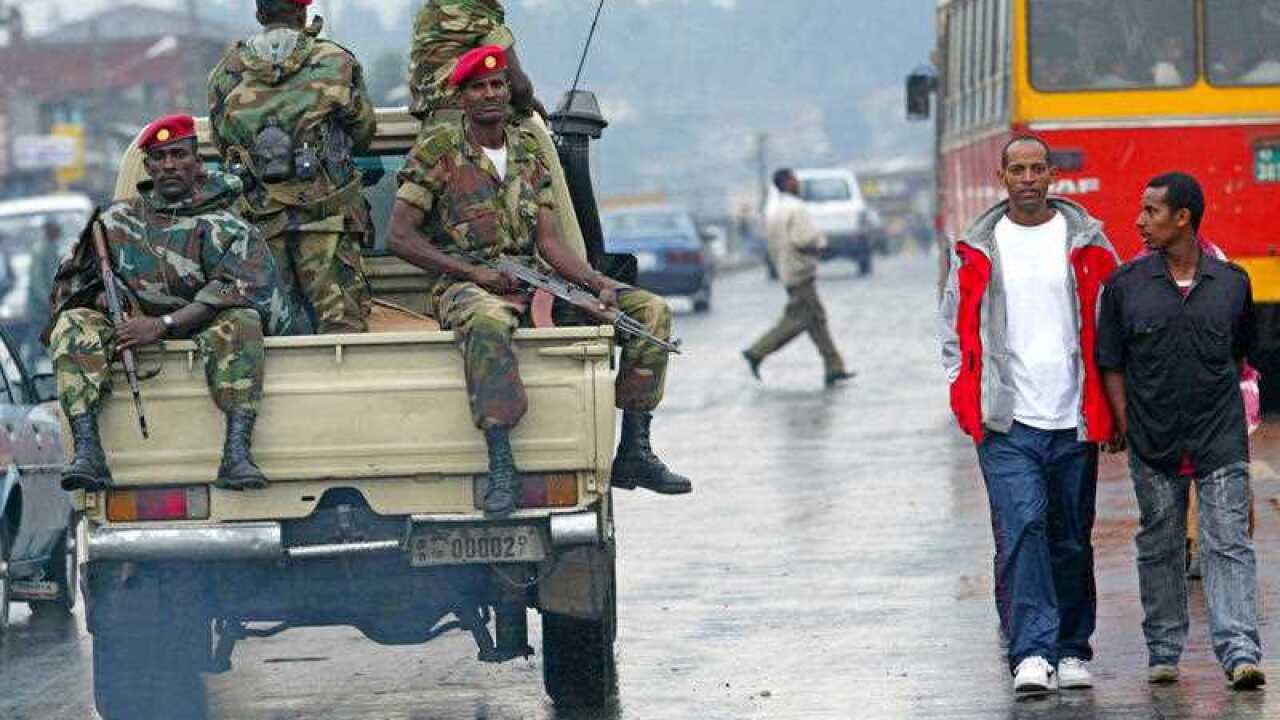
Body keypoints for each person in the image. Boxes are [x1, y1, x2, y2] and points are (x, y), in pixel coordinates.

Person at [387, 46, 692, 518]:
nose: (490, 94)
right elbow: (400, 236)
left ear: (509, 91)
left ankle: (634, 450)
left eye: (498, 85)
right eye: (478, 87)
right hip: (467, 283)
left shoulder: (528, 149)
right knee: (487, 324)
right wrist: (473, 273)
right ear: (462, 97)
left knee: (650, 313)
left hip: (534, 278)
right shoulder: (439, 151)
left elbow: (549, 240)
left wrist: (594, 283)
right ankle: (502, 465)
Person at [939, 136, 1118, 694]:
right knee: (1022, 530)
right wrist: (966, 397)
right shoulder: (979, 247)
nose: (1029, 178)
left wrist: (1112, 406)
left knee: (1069, 536)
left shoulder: (1087, 241)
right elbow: (953, 331)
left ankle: (1071, 648)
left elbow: (1110, 322)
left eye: (1038, 168)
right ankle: (1032, 652)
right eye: (1018, 169)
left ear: (1052, 177)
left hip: (1073, 417)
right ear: (1002, 176)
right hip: (1007, 422)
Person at [46, 115, 304, 493]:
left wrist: (160, 325)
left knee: (242, 320)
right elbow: (66, 286)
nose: (169, 165)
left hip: (201, 324)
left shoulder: (227, 225)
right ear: (148, 166)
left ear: (197, 162)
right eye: (159, 157)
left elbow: (235, 289)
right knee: (72, 323)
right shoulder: (114, 221)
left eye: (179, 154)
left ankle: (237, 453)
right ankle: (88, 451)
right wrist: (100, 297)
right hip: (128, 327)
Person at [1096, 172, 1266, 691]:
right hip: (1155, 443)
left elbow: (1240, 357)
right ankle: (1164, 652)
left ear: (1183, 218)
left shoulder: (1233, 284)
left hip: (1219, 439)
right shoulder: (1125, 287)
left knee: (1229, 543)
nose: (1140, 221)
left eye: (1152, 212)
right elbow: (1112, 364)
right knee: (1160, 545)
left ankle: (1240, 653)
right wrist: (1129, 427)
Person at [208, 0, 375, 333]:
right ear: (303, 13)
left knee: (269, 332)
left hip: (259, 226)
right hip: (326, 222)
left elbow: (222, 141)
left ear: (259, 15)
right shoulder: (336, 61)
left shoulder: (226, 71)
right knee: (342, 331)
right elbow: (363, 133)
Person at [741, 169, 853, 387]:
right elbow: (805, 238)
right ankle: (757, 351)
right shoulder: (796, 208)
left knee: (816, 320)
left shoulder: (775, 209)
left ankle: (834, 366)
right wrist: (823, 244)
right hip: (801, 271)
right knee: (799, 320)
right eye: (795, 180)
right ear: (787, 182)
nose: (798, 183)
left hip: (787, 270)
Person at [408, 0, 542, 123]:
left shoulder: (428, 11)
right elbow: (520, 88)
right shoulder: (477, 14)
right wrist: (528, 106)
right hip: (466, 115)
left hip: (428, 113)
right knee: (535, 129)